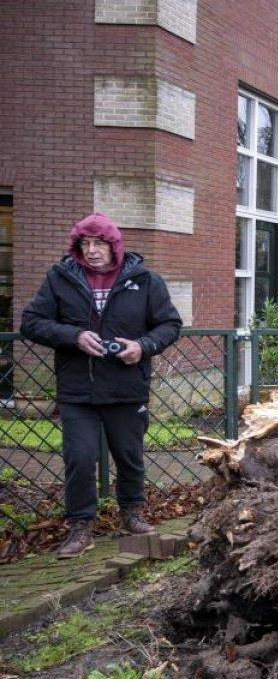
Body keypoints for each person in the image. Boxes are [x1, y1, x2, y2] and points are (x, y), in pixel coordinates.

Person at [21, 213, 182, 559]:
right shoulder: (60, 278)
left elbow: (170, 324)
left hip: (126, 388)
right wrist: (73, 336)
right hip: (78, 390)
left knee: (129, 456)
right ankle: (80, 527)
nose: (92, 251)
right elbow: (31, 323)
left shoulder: (145, 280)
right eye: (85, 244)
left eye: (99, 243)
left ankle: (132, 513)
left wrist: (143, 346)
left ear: (114, 245)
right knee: (79, 458)